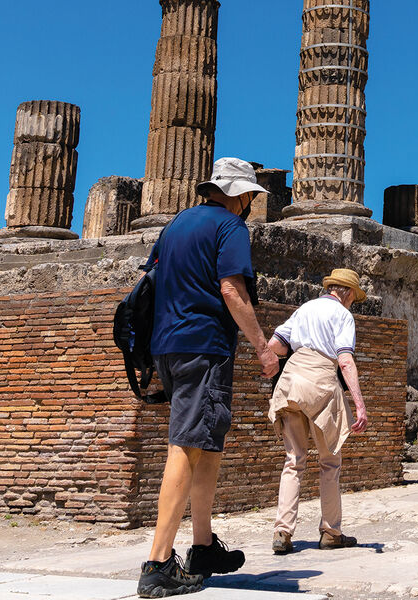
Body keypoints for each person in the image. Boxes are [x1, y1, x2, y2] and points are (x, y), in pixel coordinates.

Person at [139, 157, 280, 597]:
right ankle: (158, 563)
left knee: (207, 443)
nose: (251, 204)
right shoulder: (230, 227)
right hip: (203, 345)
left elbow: (151, 279)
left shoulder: (176, 224)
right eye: (251, 196)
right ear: (241, 195)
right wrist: (263, 347)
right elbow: (231, 289)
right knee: (185, 445)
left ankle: (203, 548)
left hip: (166, 344)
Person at [266, 269, 371, 555]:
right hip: (321, 383)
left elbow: (275, 345)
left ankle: (282, 532)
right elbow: (345, 360)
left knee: (293, 461)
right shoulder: (343, 315)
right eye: (354, 298)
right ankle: (330, 532)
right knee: (329, 462)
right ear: (348, 293)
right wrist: (359, 404)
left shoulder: (305, 308)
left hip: (291, 382)